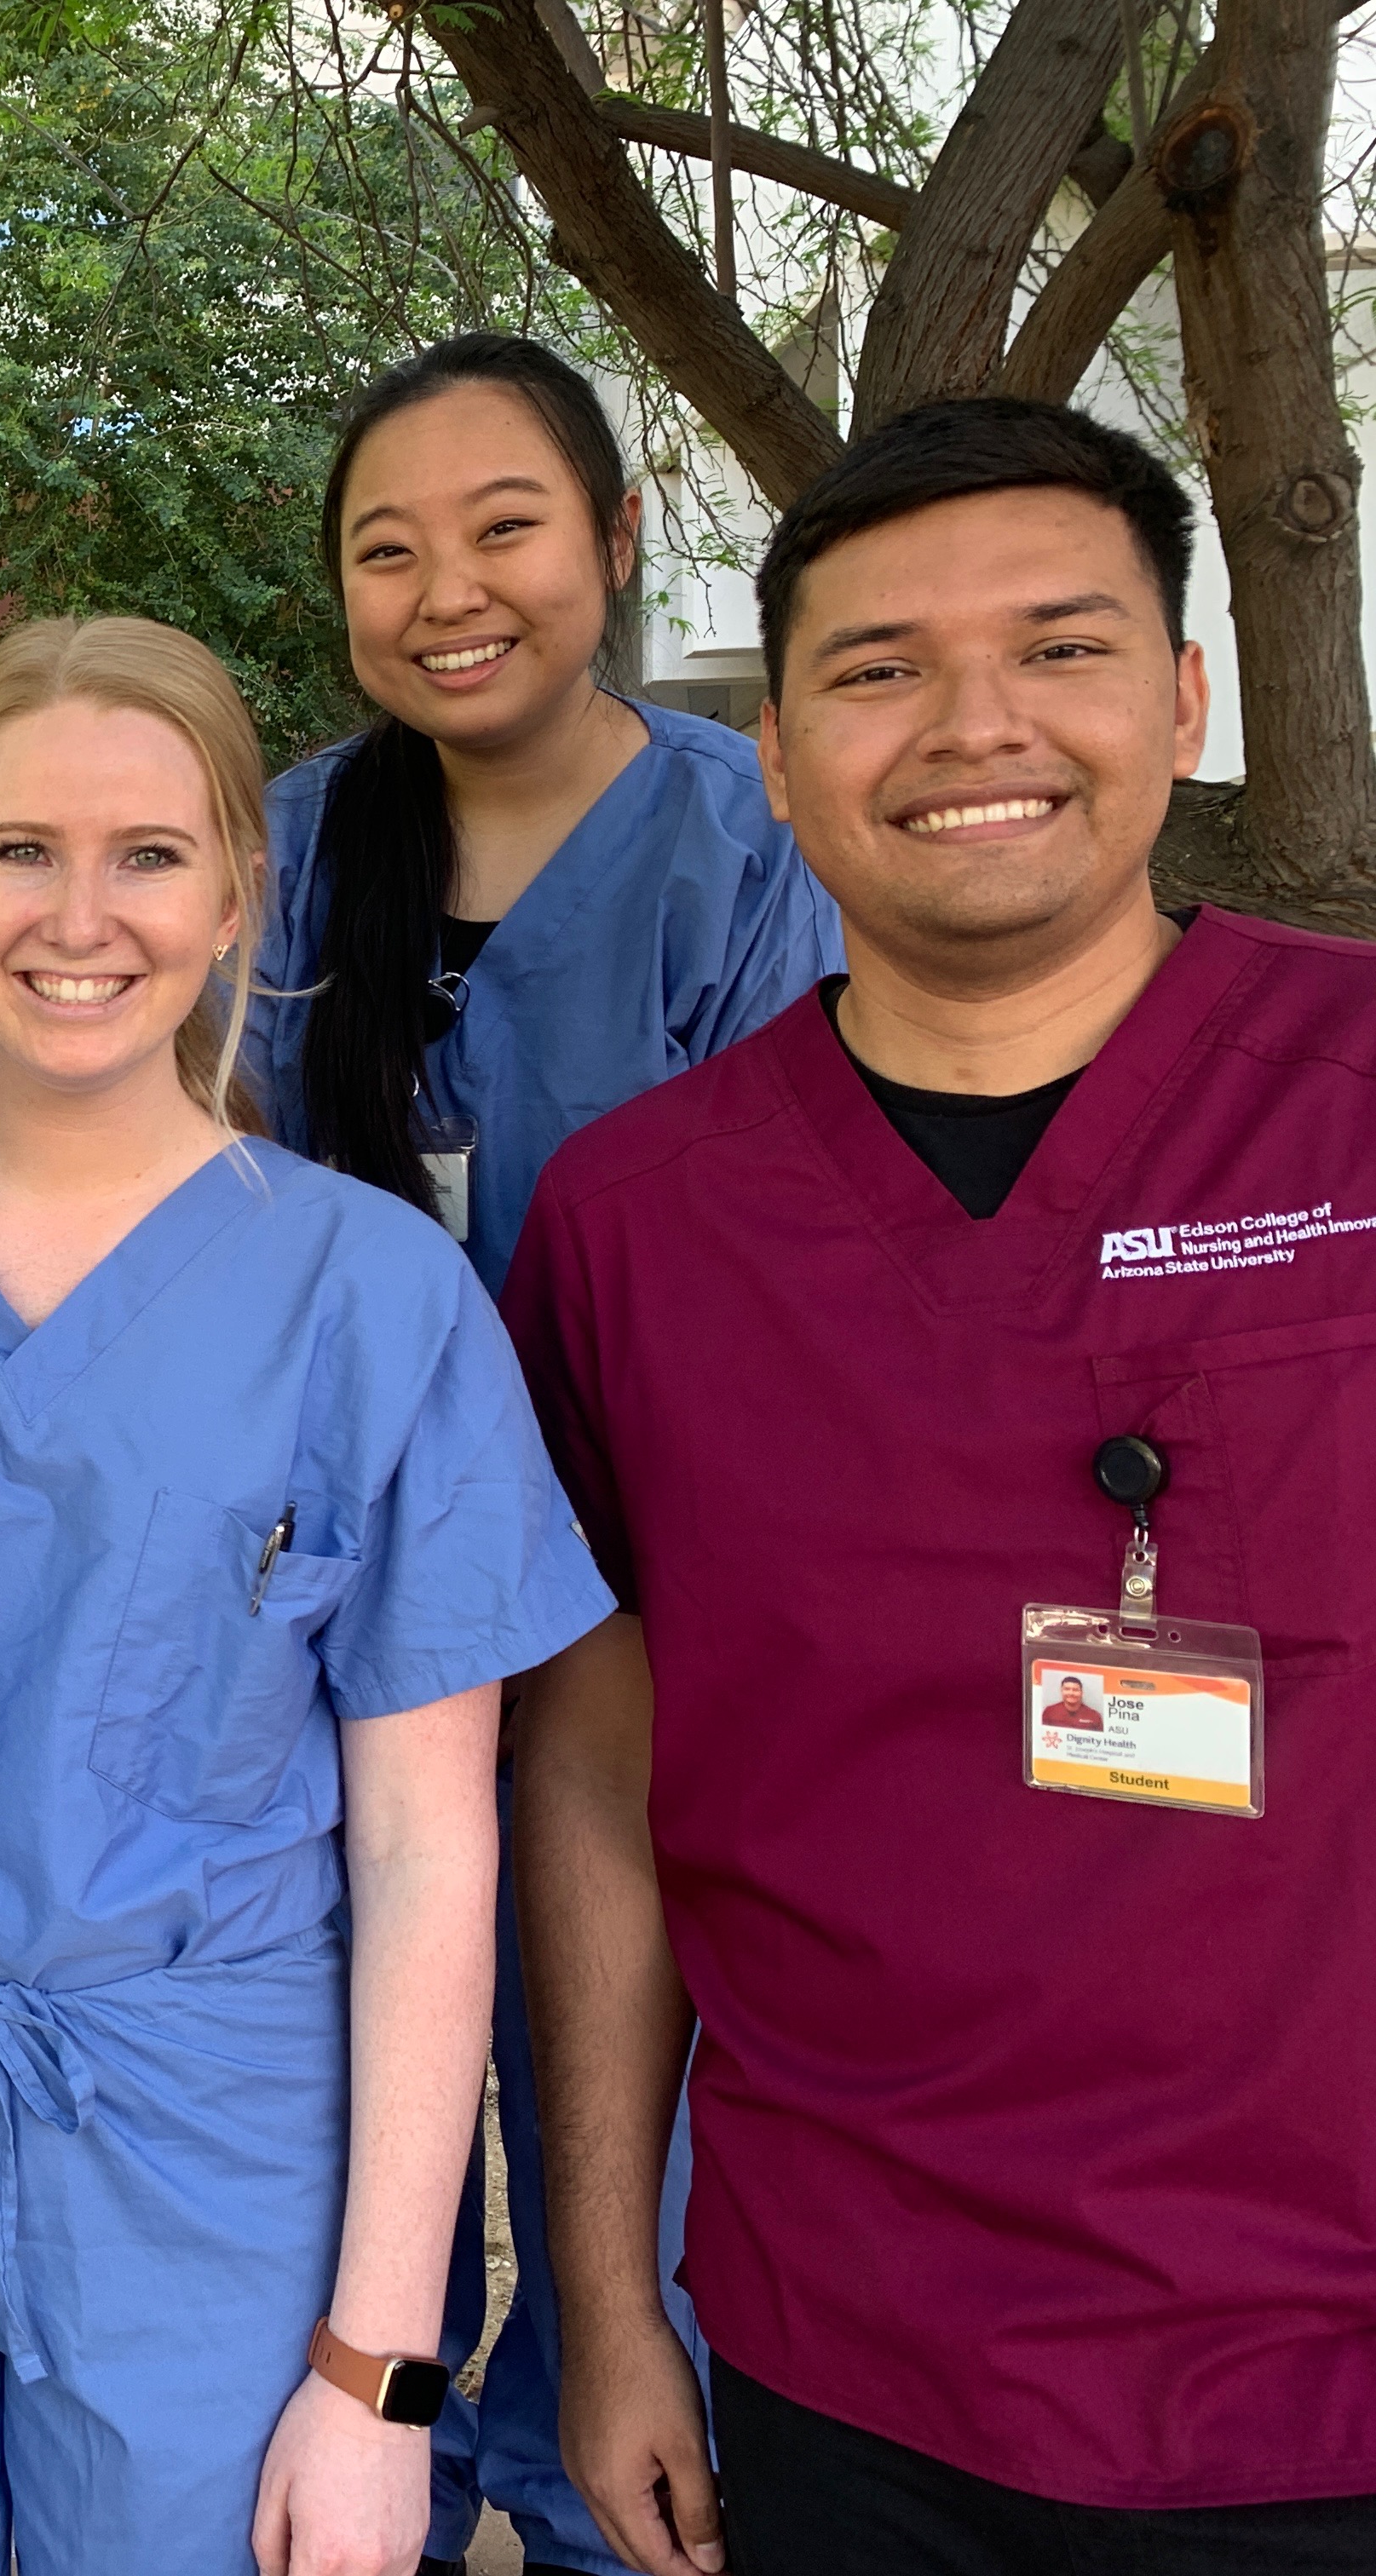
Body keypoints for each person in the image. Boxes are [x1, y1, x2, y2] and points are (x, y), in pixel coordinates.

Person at [504, 396, 1376, 2574]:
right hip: (855, 2373)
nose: (971, 725)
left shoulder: (1352, 1113)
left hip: (1326, 2367)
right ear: (776, 755)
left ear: (1184, 700)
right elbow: (601, 1785)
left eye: (1060, 648)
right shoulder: (637, 1227)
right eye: (878, 669)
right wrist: (609, 2310)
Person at [0, 615, 613, 2575]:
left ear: (235, 896)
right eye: (20, 851)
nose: (77, 916)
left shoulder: (371, 1301)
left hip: (212, 2157)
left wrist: (374, 2375)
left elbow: (435, 1853)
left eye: (148, 855)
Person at [243, 334, 837, 2576]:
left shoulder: (742, 841)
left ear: (612, 542)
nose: (447, 589)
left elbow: (774, 1264)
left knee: (631, 2159)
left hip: (655, 1616)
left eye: (504, 527)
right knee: (350, 2128)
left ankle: (601, 2498)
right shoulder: (294, 851)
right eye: (387, 550)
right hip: (340, 1635)